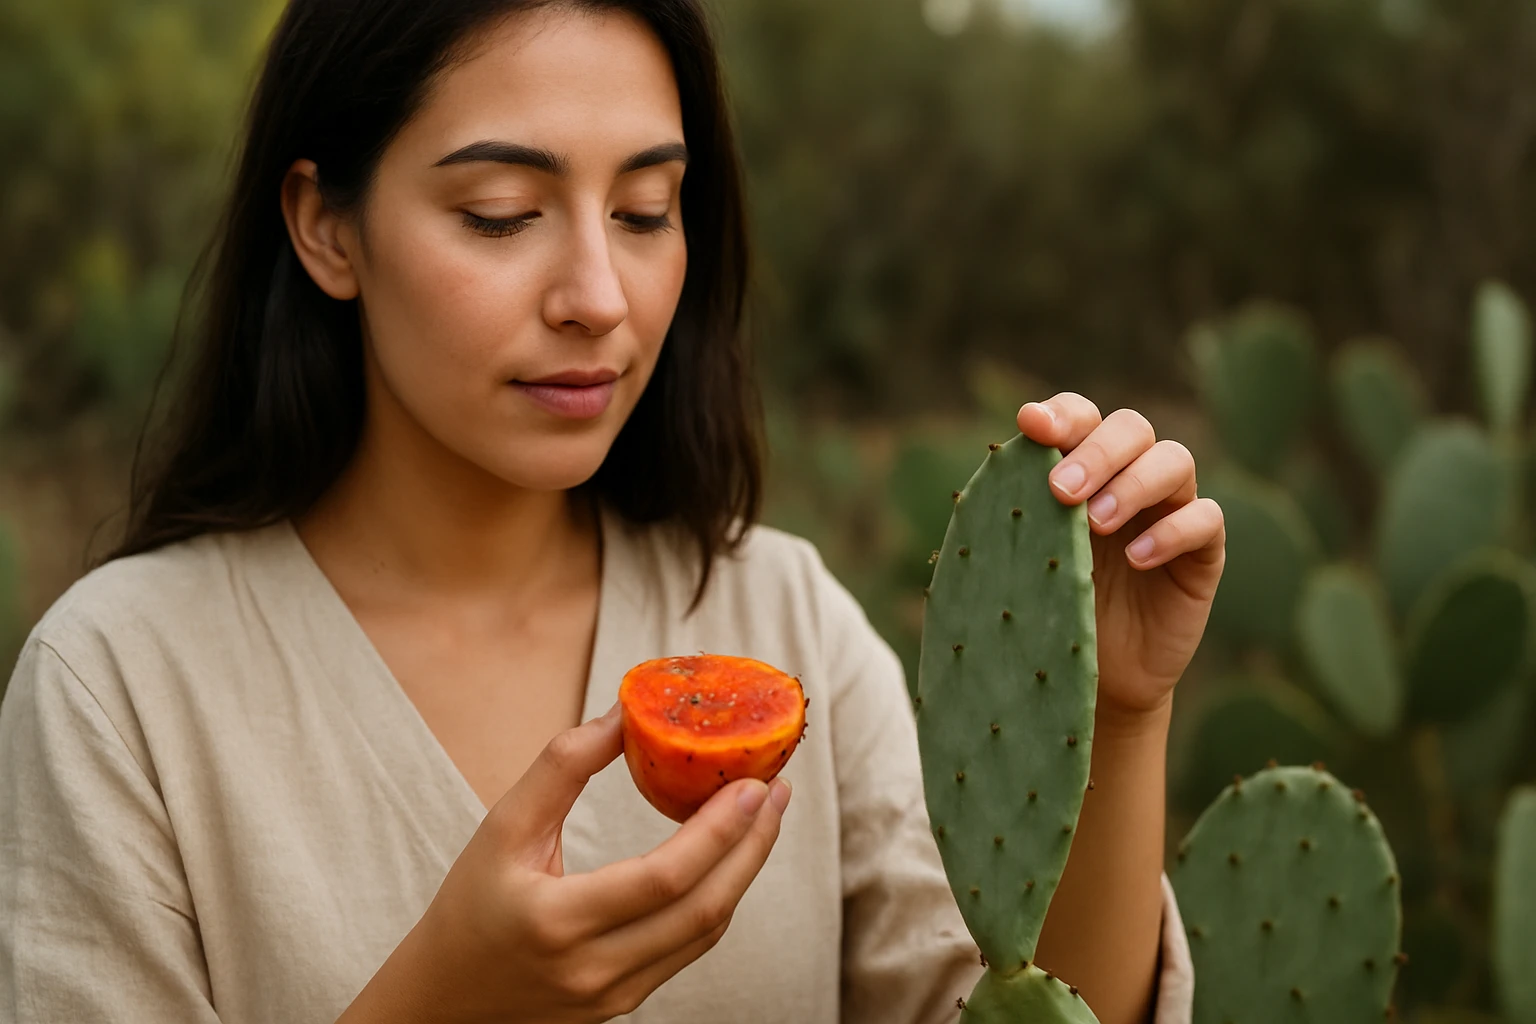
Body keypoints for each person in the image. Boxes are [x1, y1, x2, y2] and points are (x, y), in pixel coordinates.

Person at [0, 1, 1224, 1022]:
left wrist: (1110, 716)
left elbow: (1028, 1004)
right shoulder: (117, 688)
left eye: (646, 212)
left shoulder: (782, 611)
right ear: (327, 226)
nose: (599, 294)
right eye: (500, 215)